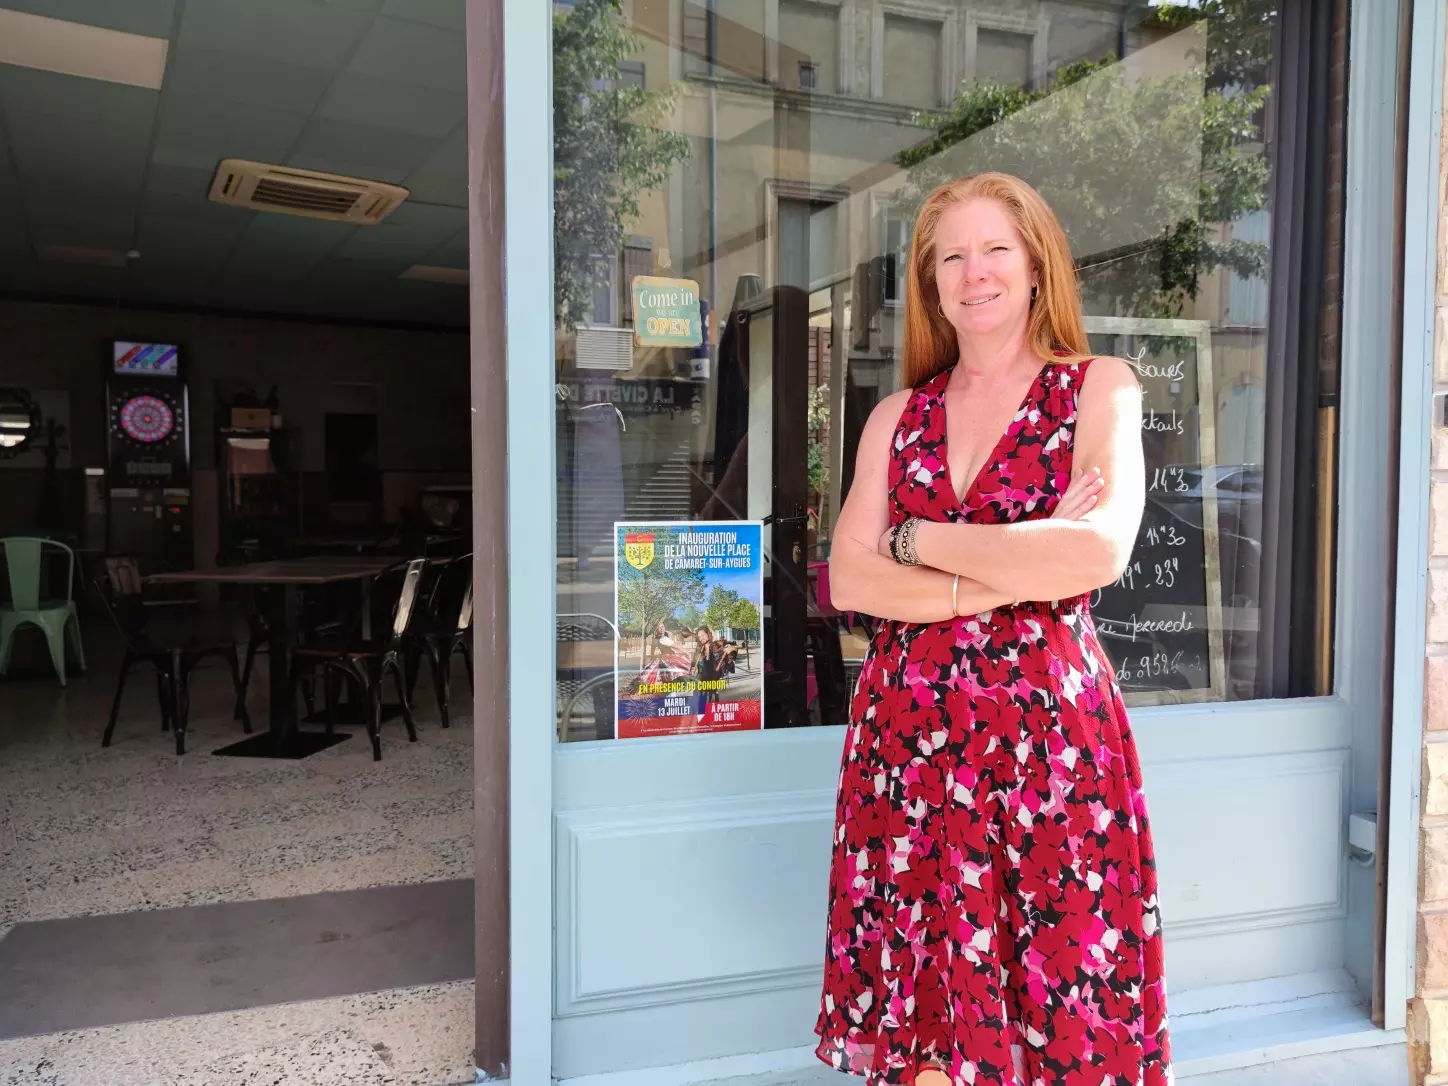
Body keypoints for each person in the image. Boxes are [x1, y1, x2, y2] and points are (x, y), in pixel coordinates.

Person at [814, 172, 1171, 1086]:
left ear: (1037, 265)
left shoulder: (1101, 389)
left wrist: (920, 540)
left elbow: (1095, 553)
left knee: (1061, 1001)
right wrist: (1006, 571)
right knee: (930, 1010)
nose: (974, 273)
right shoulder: (898, 417)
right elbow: (849, 577)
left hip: (1047, 748)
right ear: (932, 284)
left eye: (995, 250)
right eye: (951, 257)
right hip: (909, 749)